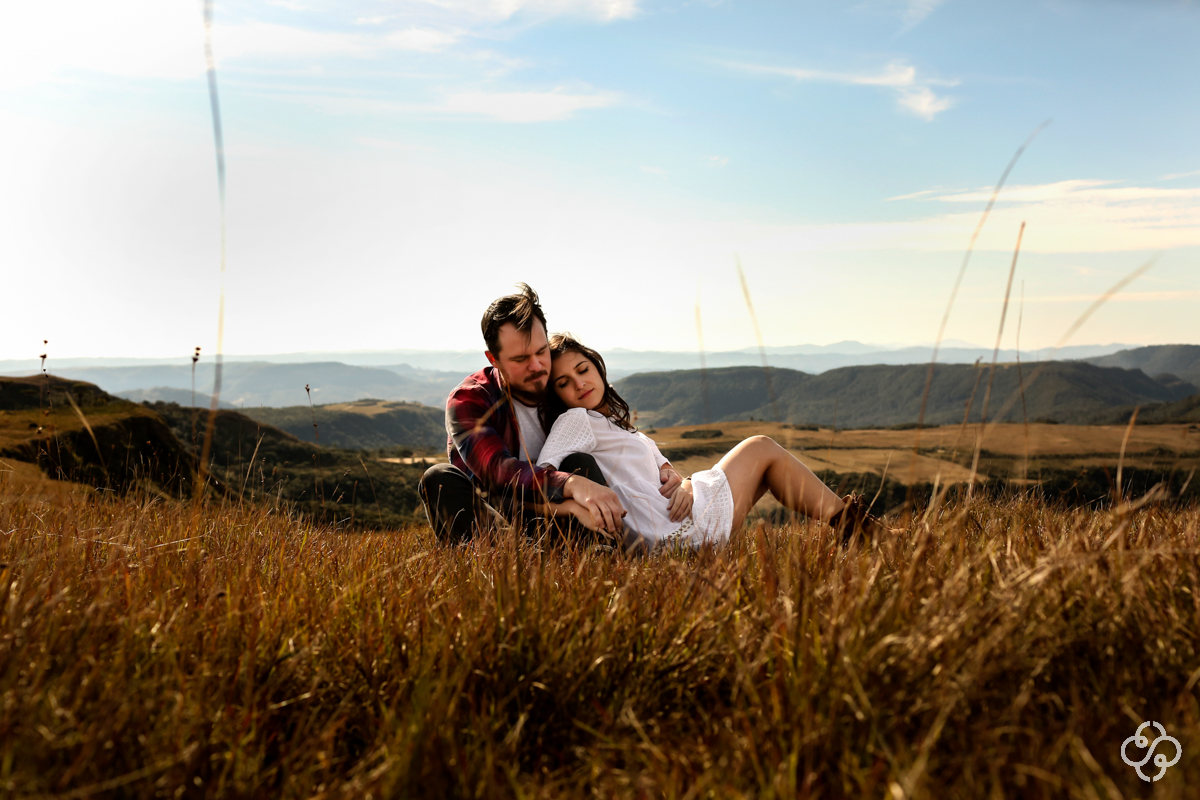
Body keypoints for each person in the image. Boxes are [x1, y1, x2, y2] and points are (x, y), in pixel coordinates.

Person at [536, 333, 884, 550]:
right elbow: (536, 482)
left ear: (597, 367)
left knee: (766, 466)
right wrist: (570, 508)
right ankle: (866, 534)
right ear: (557, 396)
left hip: (675, 514)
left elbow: (655, 463)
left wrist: (679, 478)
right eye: (564, 382)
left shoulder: (609, 422)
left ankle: (860, 534)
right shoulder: (575, 420)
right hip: (666, 531)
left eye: (582, 369)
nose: (579, 384)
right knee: (761, 446)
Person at [419, 285, 684, 543]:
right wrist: (572, 484)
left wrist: (664, 467)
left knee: (579, 459)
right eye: (521, 359)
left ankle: (599, 550)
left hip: (567, 517)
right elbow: (497, 473)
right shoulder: (470, 399)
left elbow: (618, 431)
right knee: (438, 479)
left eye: (541, 351)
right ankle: (511, 559)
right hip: (500, 520)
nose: (537, 366)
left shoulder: (563, 385)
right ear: (494, 359)